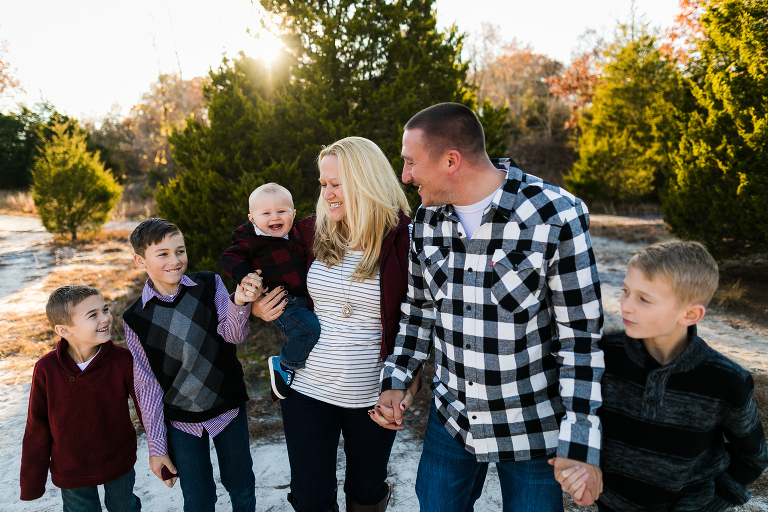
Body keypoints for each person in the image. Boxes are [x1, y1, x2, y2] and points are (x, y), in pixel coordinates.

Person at [373, 102, 605, 511]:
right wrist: (397, 377)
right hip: (453, 420)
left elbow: (581, 339)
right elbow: (418, 309)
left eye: (411, 163)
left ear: (451, 161)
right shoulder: (426, 220)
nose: (405, 176)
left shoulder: (555, 214)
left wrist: (579, 438)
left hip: (533, 424)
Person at [251, 136, 417, 512]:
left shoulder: (405, 238)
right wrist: (256, 306)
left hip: (372, 397)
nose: (327, 193)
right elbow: (254, 256)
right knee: (310, 498)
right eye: (323, 184)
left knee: (367, 492)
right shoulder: (308, 232)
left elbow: (417, 320)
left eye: (336, 183)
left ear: (365, 179)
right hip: (308, 389)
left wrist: (409, 384)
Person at [554, 241, 768, 511]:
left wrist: (709, 505)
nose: (626, 306)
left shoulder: (727, 380)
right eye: (625, 291)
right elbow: (581, 420)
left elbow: (753, 457)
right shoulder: (602, 358)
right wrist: (580, 472)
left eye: (644, 299)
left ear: (690, 314)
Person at [122, 218, 261, 512]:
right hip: (181, 420)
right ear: (139, 260)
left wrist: (240, 302)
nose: (175, 260)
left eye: (180, 251)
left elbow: (234, 334)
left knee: (241, 484)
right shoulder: (135, 318)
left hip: (228, 408)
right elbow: (146, 385)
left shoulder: (209, 284)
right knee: (198, 498)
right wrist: (157, 448)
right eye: (163, 254)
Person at [20, 285, 141, 512]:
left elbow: (146, 409)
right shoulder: (46, 369)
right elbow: (36, 426)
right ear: (64, 330)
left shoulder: (122, 360)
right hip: (71, 466)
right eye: (92, 315)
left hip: (118, 458)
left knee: (124, 507)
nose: (105, 318)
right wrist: (32, 482)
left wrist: (163, 451)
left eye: (105, 309)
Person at [221, 182, 320, 399]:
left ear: (293, 214)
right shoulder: (249, 238)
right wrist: (247, 275)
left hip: (302, 297)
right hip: (281, 301)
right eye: (266, 213)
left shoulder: (296, 234)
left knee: (310, 329)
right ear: (252, 218)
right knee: (308, 330)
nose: (274, 217)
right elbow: (230, 257)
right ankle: (284, 365)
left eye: (281, 211)